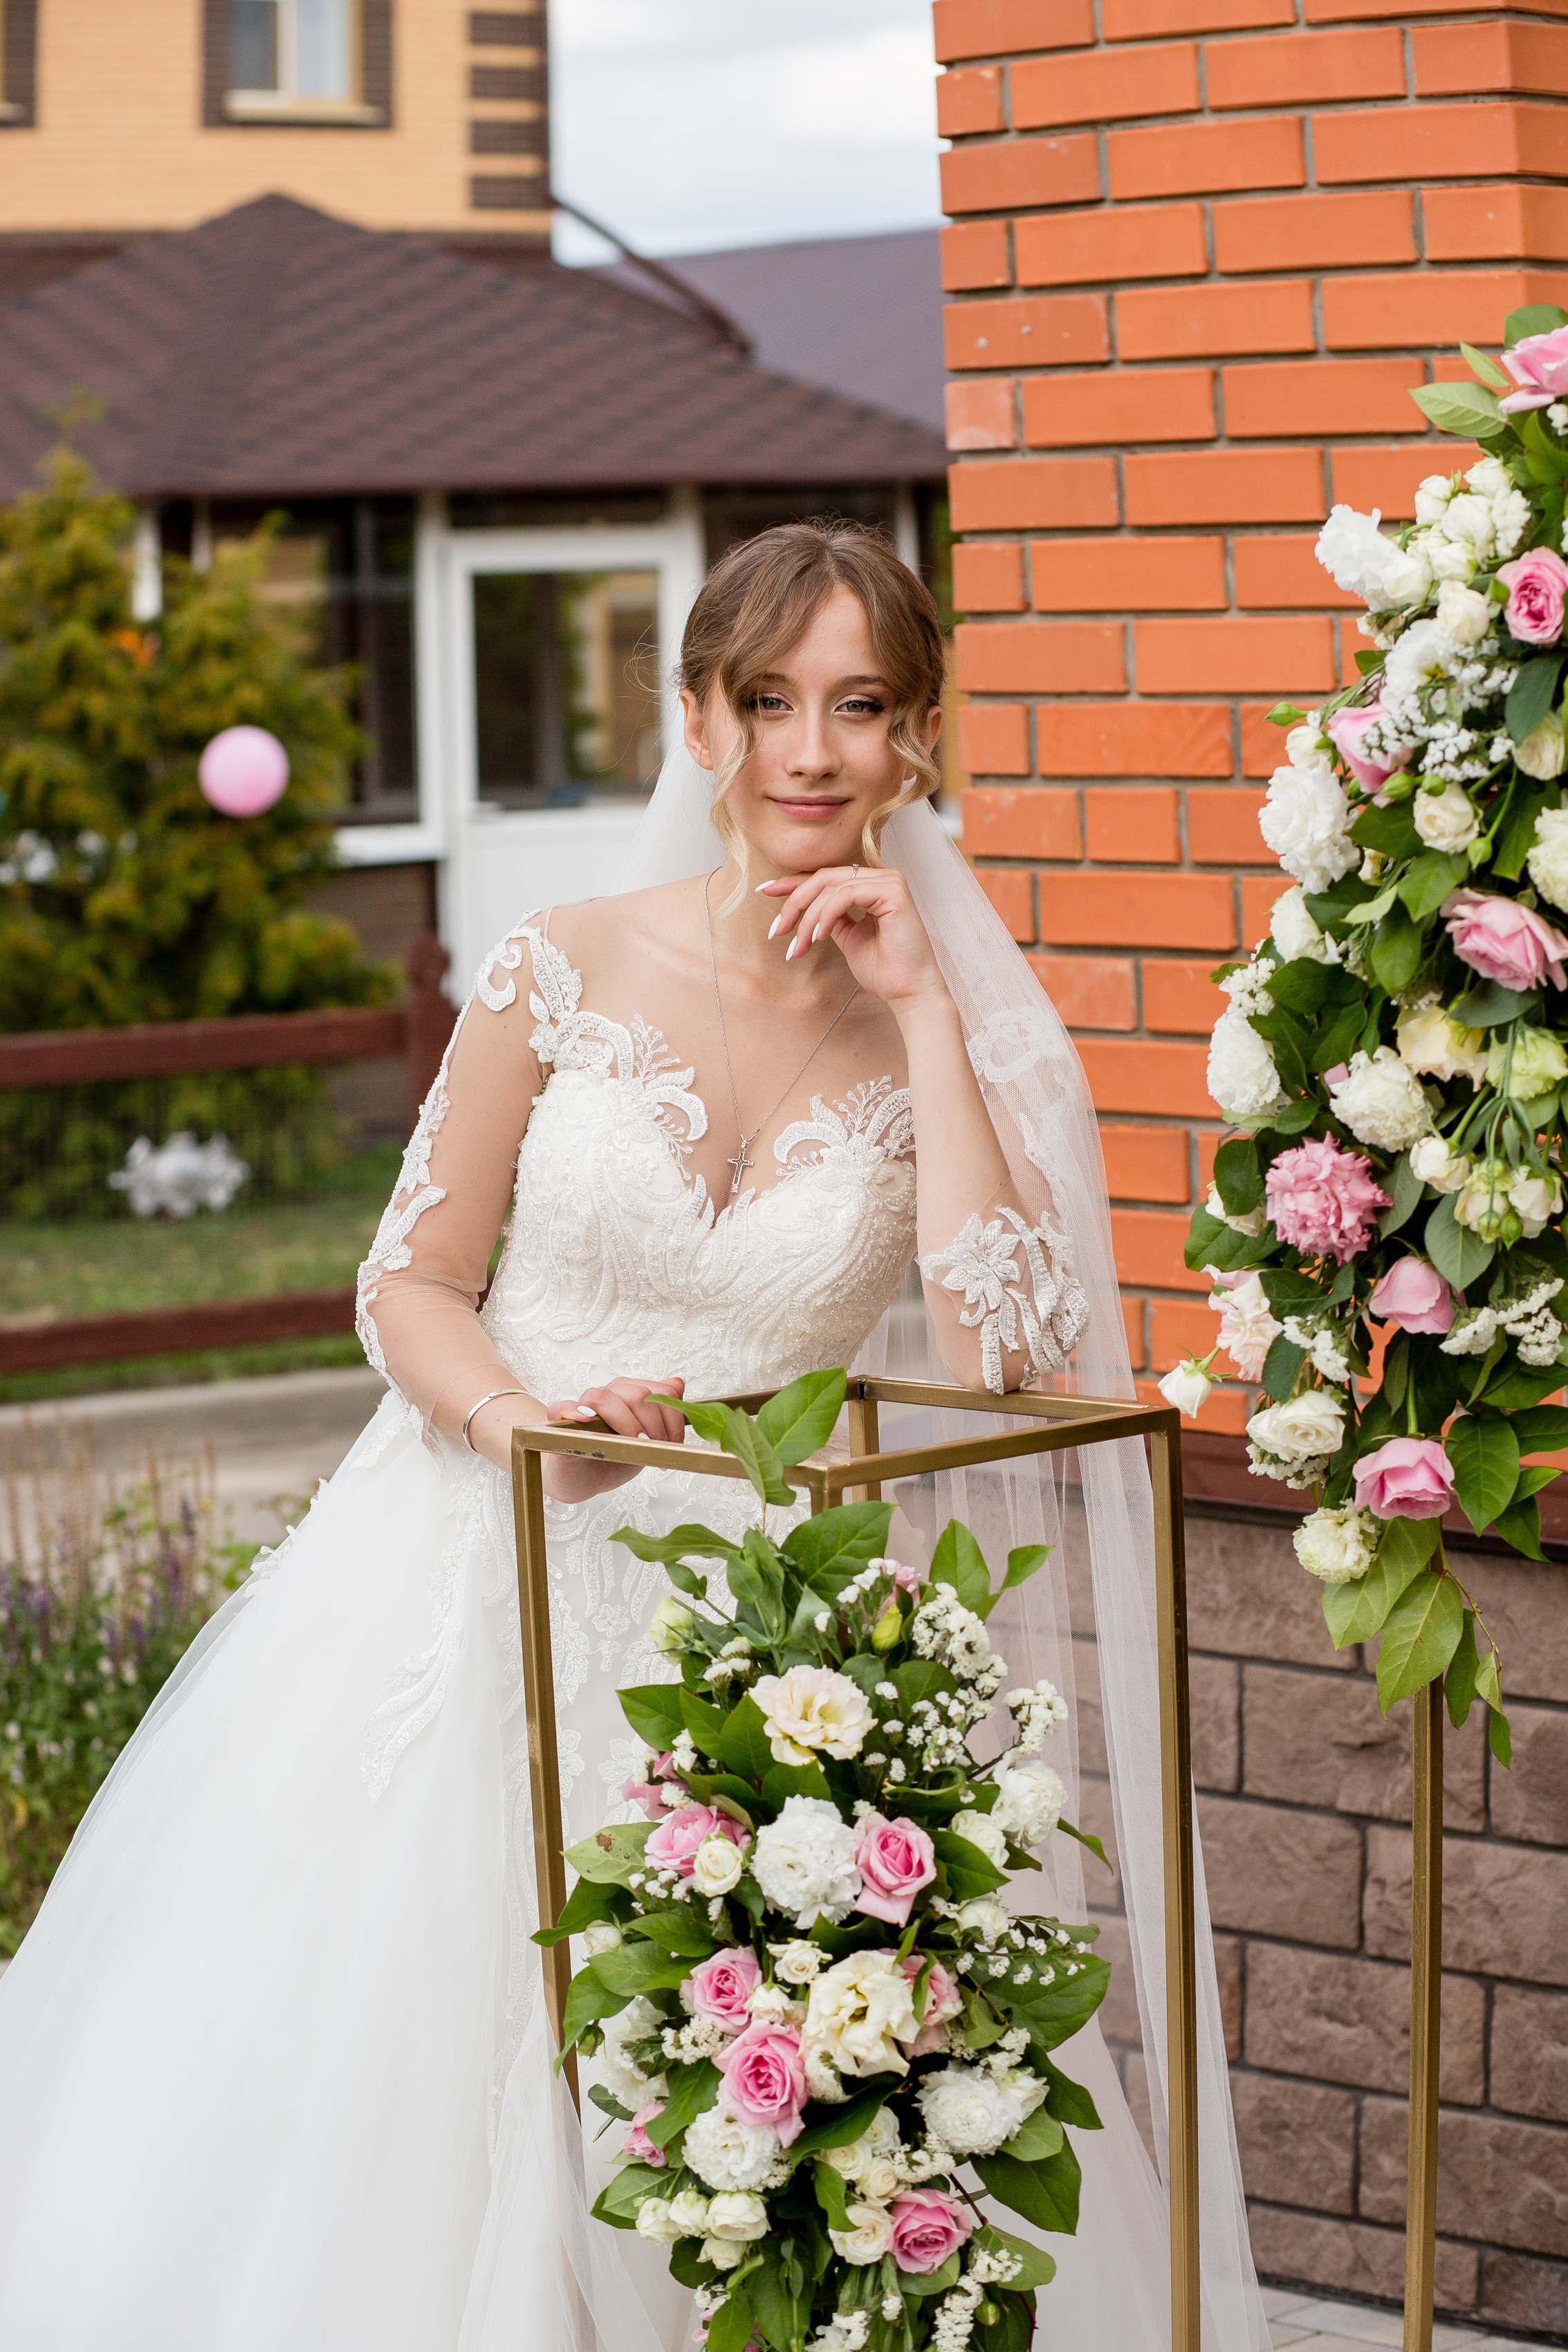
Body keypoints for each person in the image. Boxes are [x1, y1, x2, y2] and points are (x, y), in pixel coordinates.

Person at [0, 524, 1267, 2352]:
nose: (810, 753)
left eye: (860, 707)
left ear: (918, 738)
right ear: (695, 718)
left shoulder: (951, 1032)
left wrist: (920, 1007)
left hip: (749, 1636)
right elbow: (406, 1282)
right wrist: (531, 1429)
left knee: (740, 2098)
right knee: (401, 2078)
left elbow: (1003, 1362)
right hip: (465, 1566)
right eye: (767, 701)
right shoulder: (557, 964)